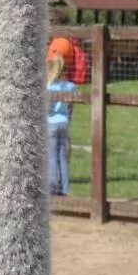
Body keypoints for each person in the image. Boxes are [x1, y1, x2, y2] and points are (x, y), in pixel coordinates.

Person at [46, 51, 76, 197]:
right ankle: (65, 190)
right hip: (64, 123)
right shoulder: (70, 87)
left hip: (51, 123)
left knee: (52, 156)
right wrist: (68, 118)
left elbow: (47, 108)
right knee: (63, 158)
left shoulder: (48, 86)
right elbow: (71, 106)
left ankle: (53, 188)